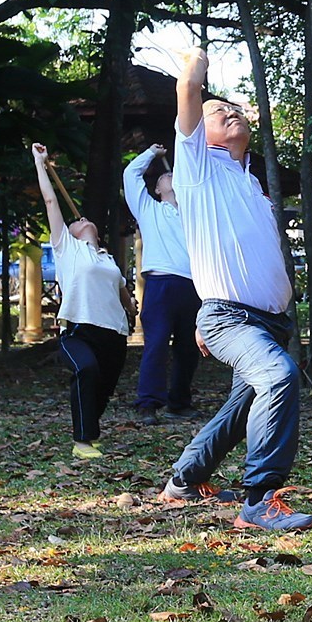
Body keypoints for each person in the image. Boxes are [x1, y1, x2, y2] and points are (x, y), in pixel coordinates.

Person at [160, 47, 312, 532]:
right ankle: (260, 498)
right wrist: (195, 63)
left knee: (240, 407)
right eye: (216, 110)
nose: (229, 111)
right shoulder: (197, 169)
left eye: (235, 109)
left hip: (269, 320)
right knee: (279, 376)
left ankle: (183, 482)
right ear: (199, 134)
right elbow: (188, 91)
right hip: (230, 317)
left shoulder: (248, 181)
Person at [32, 144, 135, 458]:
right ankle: (81, 442)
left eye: (85, 220)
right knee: (86, 370)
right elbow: (51, 199)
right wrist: (40, 163)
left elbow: (124, 298)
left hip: (115, 334)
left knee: (102, 390)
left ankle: (90, 431)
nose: (82, 220)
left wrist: (132, 310)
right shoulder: (67, 248)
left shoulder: (109, 262)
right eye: (77, 221)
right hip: (79, 330)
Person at [123, 144, 201, 423]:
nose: (170, 178)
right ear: (157, 190)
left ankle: (179, 402)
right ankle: (148, 403)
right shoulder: (149, 210)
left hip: (193, 284)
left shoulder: (196, 215)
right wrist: (151, 154)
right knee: (155, 344)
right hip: (160, 283)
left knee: (189, 347)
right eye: (164, 179)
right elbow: (130, 173)